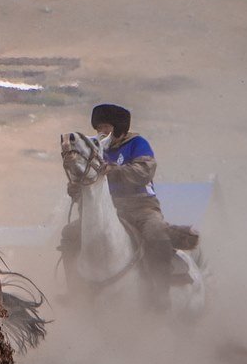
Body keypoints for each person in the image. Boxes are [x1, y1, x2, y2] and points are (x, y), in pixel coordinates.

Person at [62, 103, 181, 285]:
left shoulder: (137, 144)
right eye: (99, 127)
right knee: (70, 233)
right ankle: (73, 286)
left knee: (156, 232)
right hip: (108, 208)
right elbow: (88, 177)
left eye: (106, 127)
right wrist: (76, 188)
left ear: (119, 128)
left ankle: (161, 289)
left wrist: (113, 171)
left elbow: (144, 171)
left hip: (141, 206)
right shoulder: (95, 148)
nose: (102, 131)